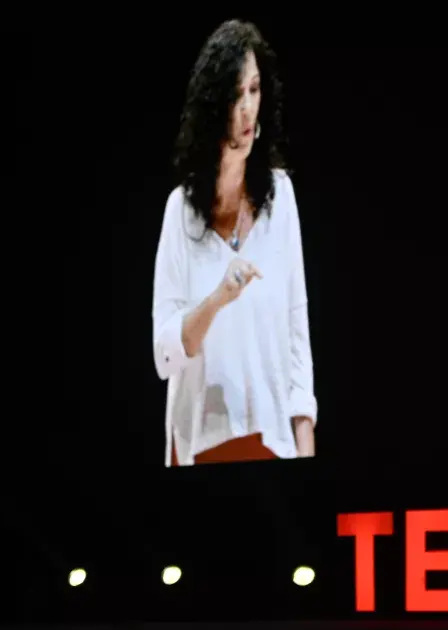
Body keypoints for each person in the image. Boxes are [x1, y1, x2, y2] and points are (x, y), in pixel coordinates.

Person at [151, 19, 316, 466]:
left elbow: (296, 333)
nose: (247, 109)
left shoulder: (280, 197)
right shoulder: (180, 212)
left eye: (254, 90)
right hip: (201, 446)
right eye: (235, 94)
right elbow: (164, 353)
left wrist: (306, 447)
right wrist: (218, 298)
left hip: (272, 442)